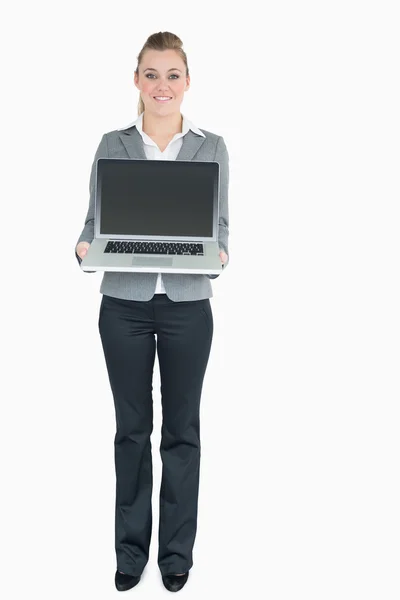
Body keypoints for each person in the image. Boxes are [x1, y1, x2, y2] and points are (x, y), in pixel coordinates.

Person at [75, 31, 230, 593]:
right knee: (132, 431)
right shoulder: (111, 144)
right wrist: (83, 247)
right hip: (124, 306)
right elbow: (93, 223)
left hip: (189, 307)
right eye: (151, 74)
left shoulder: (210, 147)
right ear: (136, 80)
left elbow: (221, 227)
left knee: (182, 433)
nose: (161, 86)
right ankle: (130, 552)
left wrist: (220, 252)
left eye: (172, 75)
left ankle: (175, 556)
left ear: (186, 82)